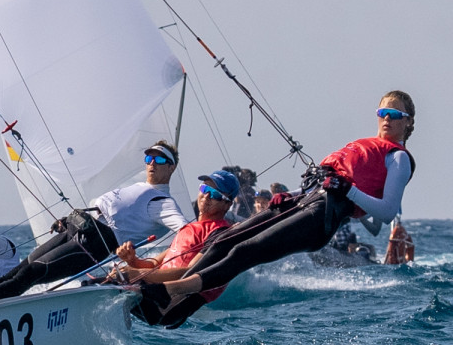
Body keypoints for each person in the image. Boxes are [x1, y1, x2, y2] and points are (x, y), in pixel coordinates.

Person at [148, 91, 416, 321]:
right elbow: (325, 182)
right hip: (303, 202)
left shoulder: (398, 158)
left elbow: (387, 211)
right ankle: (166, 307)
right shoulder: (364, 146)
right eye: (383, 111)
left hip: (321, 219)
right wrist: (292, 194)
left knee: (245, 250)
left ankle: (171, 293)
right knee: (224, 240)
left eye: (395, 113)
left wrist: (349, 190)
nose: (387, 118)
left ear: (408, 121)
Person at [0, 141, 187, 305]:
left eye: (159, 160)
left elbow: (187, 231)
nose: (152, 164)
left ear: (171, 167)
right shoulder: (140, 187)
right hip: (80, 228)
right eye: (149, 159)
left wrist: (162, 260)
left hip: (95, 244)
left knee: (31, 273)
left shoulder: (162, 202)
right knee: (22, 267)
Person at [110, 170, 238, 326]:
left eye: (215, 194)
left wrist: (137, 274)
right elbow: (153, 265)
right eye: (204, 190)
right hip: (151, 292)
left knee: (106, 288)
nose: (206, 197)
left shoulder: (221, 233)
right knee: (102, 282)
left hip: (167, 306)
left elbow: (191, 272)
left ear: (227, 204)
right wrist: (132, 261)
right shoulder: (190, 228)